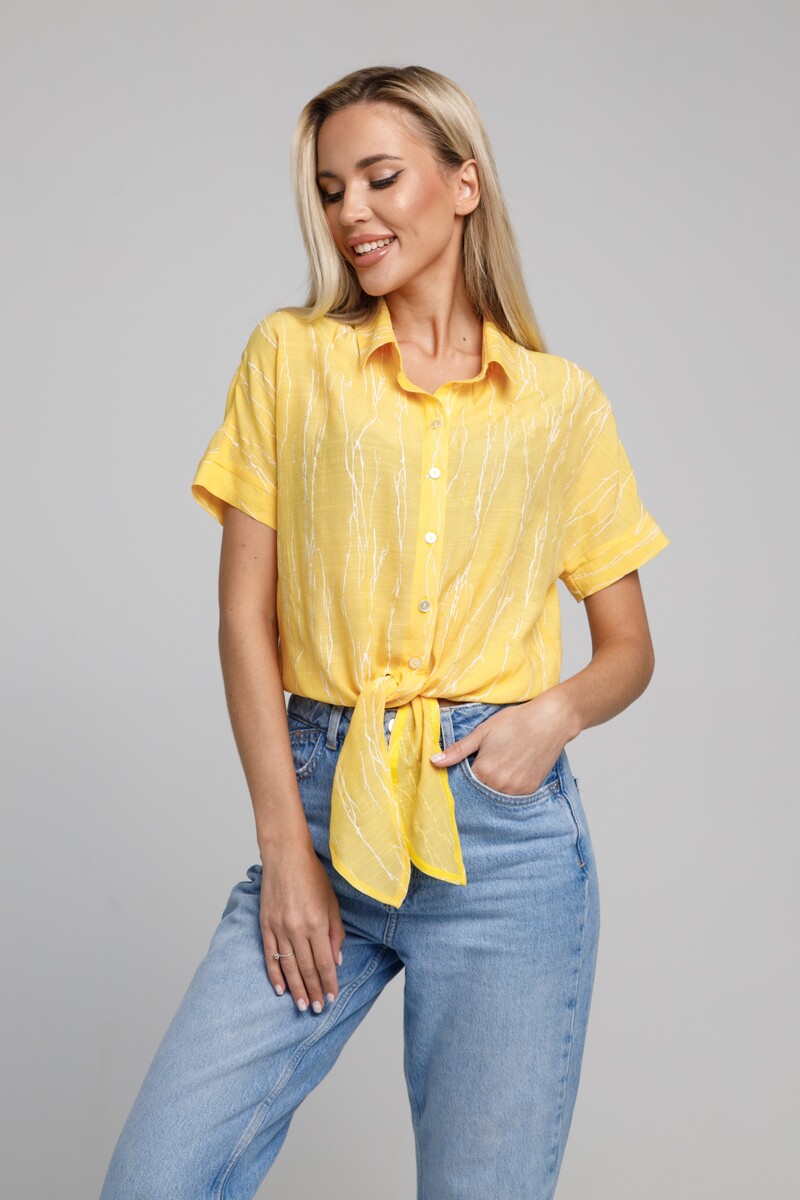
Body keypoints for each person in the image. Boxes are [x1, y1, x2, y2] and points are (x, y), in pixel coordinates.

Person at [99, 64, 669, 1200]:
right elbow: (244, 616)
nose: (350, 212)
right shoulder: (291, 359)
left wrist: (550, 715)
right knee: (158, 1178)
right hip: (321, 808)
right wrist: (285, 850)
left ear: (463, 184)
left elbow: (628, 650)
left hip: (501, 847)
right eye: (329, 190)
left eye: (378, 178)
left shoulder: (560, 403)